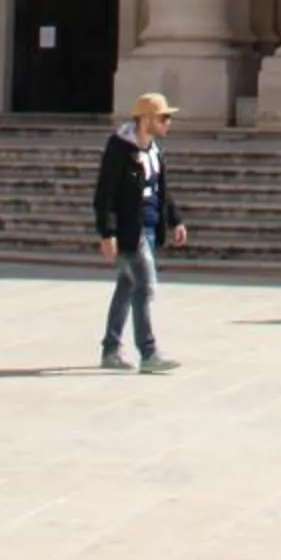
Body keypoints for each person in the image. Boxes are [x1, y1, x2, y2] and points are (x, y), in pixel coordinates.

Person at [94, 92, 187, 371]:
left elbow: (162, 191)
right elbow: (104, 195)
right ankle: (148, 353)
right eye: (163, 118)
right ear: (146, 120)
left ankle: (110, 350)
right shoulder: (120, 149)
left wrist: (175, 221)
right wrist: (106, 233)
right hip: (128, 231)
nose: (168, 123)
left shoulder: (154, 150)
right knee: (145, 286)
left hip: (149, 226)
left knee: (127, 287)